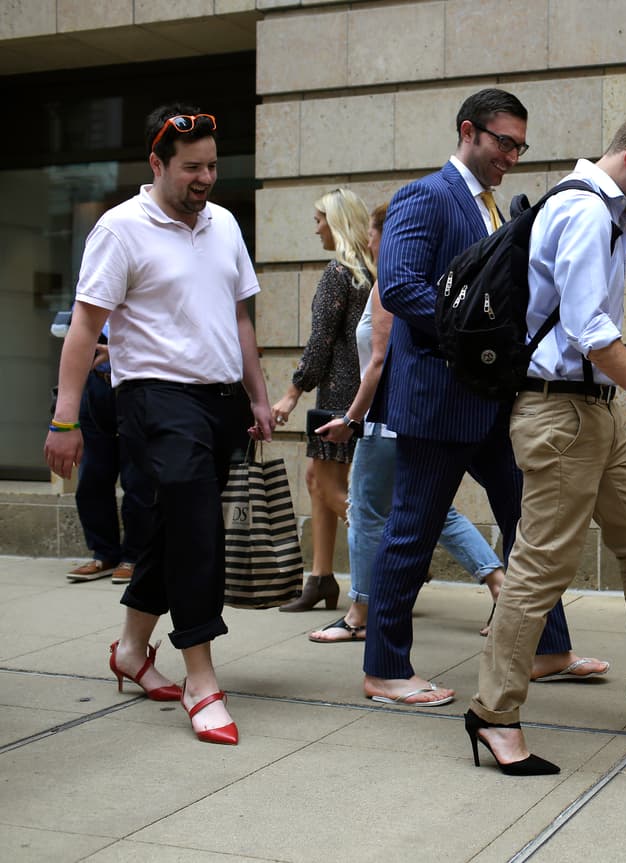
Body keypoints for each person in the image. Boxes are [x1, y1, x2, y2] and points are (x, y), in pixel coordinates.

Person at [466, 111, 626, 776]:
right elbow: (588, 329)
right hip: (559, 416)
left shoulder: (608, 213)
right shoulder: (583, 212)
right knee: (542, 566)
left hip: (594, 414)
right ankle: (492, 713)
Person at [362, 88, 606, 705]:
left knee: (529, 526)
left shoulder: (494, 206)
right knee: (411, 534)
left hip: (492, 402)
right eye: (504, 142)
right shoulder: (426, 195)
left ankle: (549, 649)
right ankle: (385, 669)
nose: (513, 156)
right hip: (439, 402)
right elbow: (398, 289)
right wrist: (480, 335)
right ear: (468, 131)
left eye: (520, 146)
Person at [44, 104, 273, 745]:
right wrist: (65, 420)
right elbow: (85, 328)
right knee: (199, 532)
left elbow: (242, 321)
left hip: (221, 399)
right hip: (155, 397)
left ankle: (128, 650)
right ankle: (201, 678)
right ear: (157, 164)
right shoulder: (121, 230)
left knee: (175, 530)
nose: (205, 179)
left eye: (211, 167)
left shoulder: (224, 224)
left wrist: (258, 398)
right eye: (191, 168)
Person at [310, 205, 511, 643]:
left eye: (374, 233)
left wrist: (351, 418)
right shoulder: (404, 282)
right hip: (400, 419)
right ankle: (500, 586)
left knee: (364, 511)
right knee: (434, 511)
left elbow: (379, 361)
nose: (368, 241)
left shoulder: (391, 285)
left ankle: (359, 611)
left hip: (385, 421)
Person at [271, 188, 374, 612]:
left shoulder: (339, 273)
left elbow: (321, 342)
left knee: (330, 487)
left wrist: (292, 392)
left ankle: (392, 556)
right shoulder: (372, 272)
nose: (315, 228)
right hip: (363, 395)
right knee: (317, 480)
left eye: (319, 219)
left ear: (337, 222)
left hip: (338, 396)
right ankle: (320, 578)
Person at [63, 321, 156, 585]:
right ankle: (103, 553)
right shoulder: (89, 289)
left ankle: (134, 556)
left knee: (137, 480)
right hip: (96, 387)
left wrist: (117, 350)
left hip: (138, 388)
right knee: (91, 478)